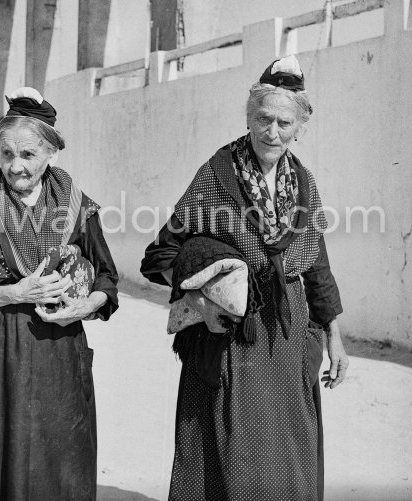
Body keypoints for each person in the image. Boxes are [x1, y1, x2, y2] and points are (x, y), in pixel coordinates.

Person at [141, 55, 348, 501]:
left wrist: (333, 334)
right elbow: (161, 254)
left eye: (284, 123)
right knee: (230, 452)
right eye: (262, 119)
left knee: (288, 456)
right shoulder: (217, 175)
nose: (272, 132)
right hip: (232, 338)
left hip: (290, 338)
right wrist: (203, 300)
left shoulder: (305, 185)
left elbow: (317, 263)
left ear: (300, 128)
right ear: (249, 117)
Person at [0, 87, 118, 500]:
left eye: (28, 155)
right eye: (6, 154)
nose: (15, 166)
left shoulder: (77, 206)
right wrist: (16, 292)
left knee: (56, 460)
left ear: (51, 152)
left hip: (59, 348)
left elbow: (108, 279)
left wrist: (85, 305)